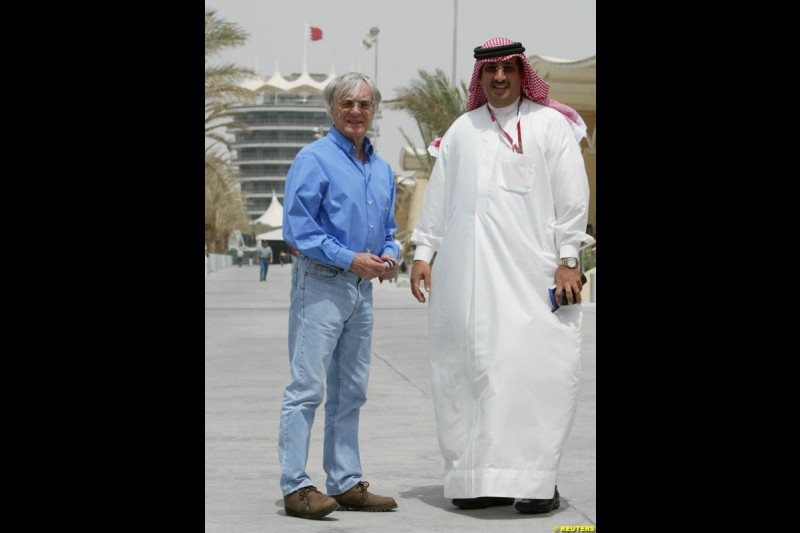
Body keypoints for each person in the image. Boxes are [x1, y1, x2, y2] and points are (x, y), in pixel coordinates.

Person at [409, 37, 593, 515]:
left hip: (533, 282)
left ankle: (536, 482)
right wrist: (425, 252)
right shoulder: (461, 131)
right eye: (490, 71)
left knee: (533, 375)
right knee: (470, 373)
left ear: (520, 71)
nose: (499, 78)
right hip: (467, 284)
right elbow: (438, 202)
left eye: (508, 69)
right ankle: (478, 479)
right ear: (480, 77)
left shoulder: (550, 125)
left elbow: (572, 199)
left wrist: (568, 259)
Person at [278, 72, 399, 520]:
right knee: (306, 387)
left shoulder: (382, 169)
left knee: (351, 390)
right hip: (322, 284)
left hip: (362, 291)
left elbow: (388, 230)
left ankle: (345, 481)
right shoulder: (313, 159)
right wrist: (350, 259)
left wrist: (390, 253)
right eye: (347, 103)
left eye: (364, 104)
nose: (355, 111)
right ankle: (295, 486)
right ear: (332, 107)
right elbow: (299, 229)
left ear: (373, 111)